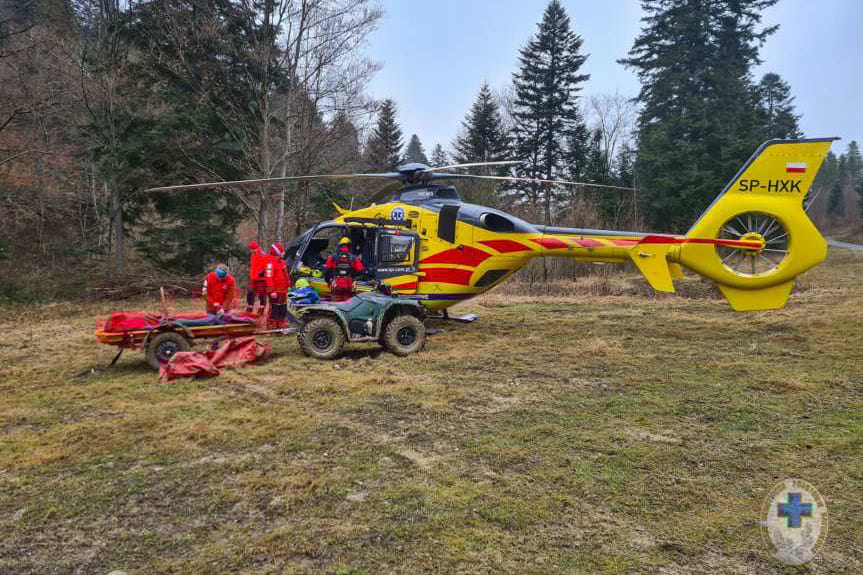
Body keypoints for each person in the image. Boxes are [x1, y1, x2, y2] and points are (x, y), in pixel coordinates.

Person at [324, 236, 364, 301]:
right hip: (348, 285)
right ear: (350, 246)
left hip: (336, 285)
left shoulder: (332, 257)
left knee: (335, 303)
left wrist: (328, 281)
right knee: (348, 304)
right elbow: (361, 270)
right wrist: (354, 280)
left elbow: (326, 271)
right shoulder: (354, 258)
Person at [265, 243, 291, 329]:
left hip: (283, 290)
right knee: (274, 308)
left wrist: (288, 284)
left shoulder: (282, 262)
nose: (284, 253)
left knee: (282, 307)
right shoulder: (270, 263)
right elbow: (269, 277)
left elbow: (285, 275)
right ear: (277, 252)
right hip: (275, 291)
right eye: (282, 251)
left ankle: (281, 325)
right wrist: (272, 290)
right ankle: (271, 326)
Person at [245, 241, 268, 313]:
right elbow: (253, 267)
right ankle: (249, 309)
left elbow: (267, 265)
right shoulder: (253, 255)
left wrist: (263, 272)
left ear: (254, 248)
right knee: (250, 293)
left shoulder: (263, 255)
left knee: (262, 295)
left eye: (251, 249)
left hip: (261, 279)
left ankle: (261, 312)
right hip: (254, 278)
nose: (250, 251)